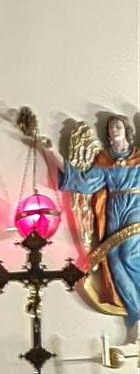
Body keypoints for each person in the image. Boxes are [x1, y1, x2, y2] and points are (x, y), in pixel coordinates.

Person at [48, 116, 140, 326]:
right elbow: (83, 183)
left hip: (136, 206)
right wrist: (52, 152)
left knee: (129, 254)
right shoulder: (105, 162)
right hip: (114, 211)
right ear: (108, 135)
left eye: (118, 125)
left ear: (127, 130)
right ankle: (136, 315)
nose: (114, 129)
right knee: (114, 261)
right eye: (111, 127)